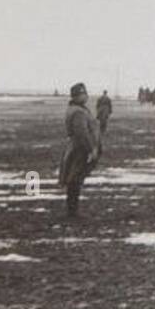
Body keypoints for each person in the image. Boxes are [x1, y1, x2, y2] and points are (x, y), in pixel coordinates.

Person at [59, 83, 102, 218]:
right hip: (79, 149)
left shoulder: (78, 109)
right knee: (75, 179)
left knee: (75, 178)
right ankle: (72, 211)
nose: (86, 96)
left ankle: (72, 210)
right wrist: (91, 149)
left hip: (78, 147)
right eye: (83, 94)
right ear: (76, 96)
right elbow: (82, 133)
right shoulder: (78, 112)